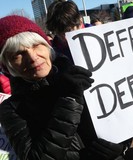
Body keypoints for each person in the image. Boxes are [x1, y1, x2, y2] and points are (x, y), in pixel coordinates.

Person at [0, 15, 125, 160]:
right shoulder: (11, 109)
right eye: (18, 54)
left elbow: (121, 115)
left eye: (36, 45)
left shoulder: (81, 72)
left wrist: (121, 145)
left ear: (47, 46)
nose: (33, 57)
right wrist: (69, 100)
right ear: (8, 65)